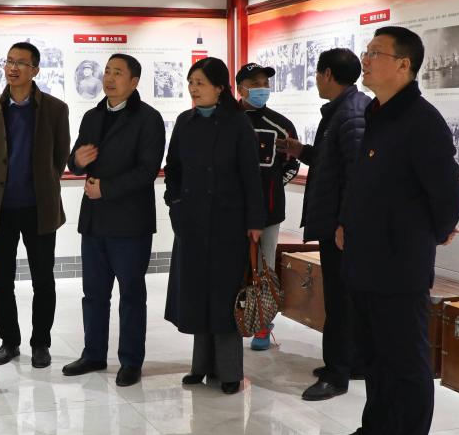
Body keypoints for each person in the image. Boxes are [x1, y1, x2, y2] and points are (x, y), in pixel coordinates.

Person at [329, 26, 459, 435]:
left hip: (399, 266)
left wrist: (427, 236)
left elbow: (448, 197)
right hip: (364, 260)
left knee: (405, 363)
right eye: (367, 52)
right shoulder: (377, 112)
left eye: (376, 53)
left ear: (404, 65)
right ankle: (377, 430)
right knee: (374, 356)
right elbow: (363, 181)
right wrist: (346, 221)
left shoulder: (422, 122)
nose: (365, 60)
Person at [61, 54, 165, 387]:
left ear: (134, 82)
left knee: (131, 295)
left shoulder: (148, 119)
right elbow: (76, 159)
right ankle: (93, 354)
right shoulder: (92, 116)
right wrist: (76, 161)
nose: (109, 77)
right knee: (93, 293)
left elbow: (147, 170)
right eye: (107, 71)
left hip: (130, 223)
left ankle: (131, 361)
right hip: (94, 221)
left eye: (117, 73)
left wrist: (105, 189)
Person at [164, 57, 265, 395]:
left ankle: (230, 371)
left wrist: (255, 221)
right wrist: (174, 202)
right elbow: (173, 167)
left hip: (228, 223)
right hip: (191, 221)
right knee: (196, 293)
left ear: (220, 88)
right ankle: (201, 366)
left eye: (201, 83)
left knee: (225, 297)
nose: (193, 89)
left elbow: (251, 175)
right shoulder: (185, 121)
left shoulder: (238, 124)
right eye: (191, 83)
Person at [276, 48, 369, 401]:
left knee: (340, 301)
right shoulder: (343, 111)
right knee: (344, 298)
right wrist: (301, 150)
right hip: (336, 223)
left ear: (328, 74)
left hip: (341, 228)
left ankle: (336, 374)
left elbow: (356, 176)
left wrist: (345, 223)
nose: (315, 79)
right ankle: (351, 361)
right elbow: (333, 161)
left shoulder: (352, 113)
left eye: (317, 73)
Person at [0, 42, 70, 369]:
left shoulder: (55, 109)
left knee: (43, 281)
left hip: (39, 208)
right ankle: (9, 342)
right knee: (2, 282)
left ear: (35, 70)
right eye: (9, 61)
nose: (13, 68)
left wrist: (41, 182)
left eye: (20, 63)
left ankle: (40, 343)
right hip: (0, 209)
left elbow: (59, 157)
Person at [235, 62, 299, 351]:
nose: (262, 88)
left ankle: (262, 323)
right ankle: (234, 319)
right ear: (241, 88)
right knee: (233, 268)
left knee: (264, 268)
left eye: (265, 83)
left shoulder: (281, 125)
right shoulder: (228, 120)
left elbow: (291, 165)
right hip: (231, 213)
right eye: (255, 84)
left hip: (269, 213)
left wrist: (271, 188)